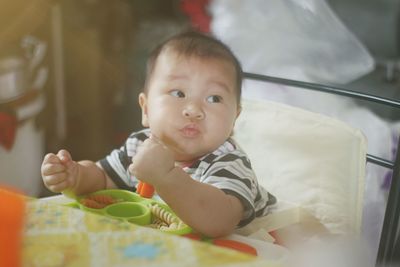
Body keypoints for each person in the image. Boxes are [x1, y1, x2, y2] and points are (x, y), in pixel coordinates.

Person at [41, 31, 276, 237]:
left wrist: (165, 176)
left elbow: (219, 222)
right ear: (146, 108)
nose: (194, 110)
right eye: (178, 93)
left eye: (214, 98)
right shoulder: (140, 145)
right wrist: (76, 176)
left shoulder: (229, 162)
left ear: (234, 118)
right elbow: (102, 179)